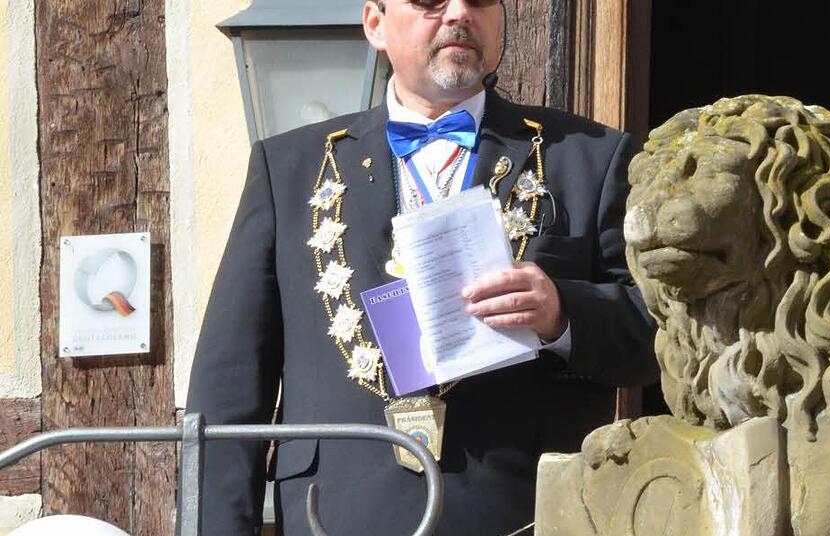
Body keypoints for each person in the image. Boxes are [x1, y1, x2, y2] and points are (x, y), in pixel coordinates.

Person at [186, 0, 657, 534]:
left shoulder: (588, 156)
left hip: (521, 514)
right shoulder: (289, 168)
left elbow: (655, 337)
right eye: (430, 1)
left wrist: (563, 314)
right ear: (375, 24)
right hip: (336, 516)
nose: (458, 13)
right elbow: (229, 386)